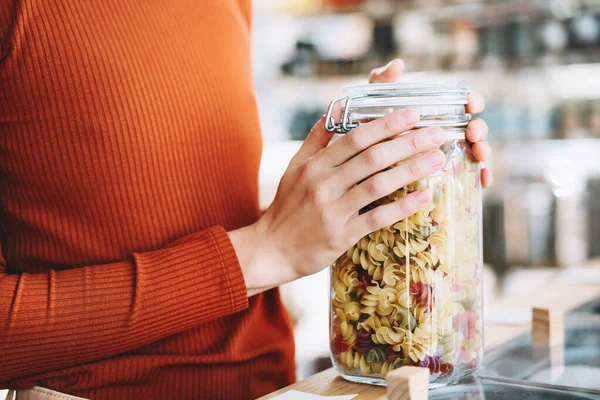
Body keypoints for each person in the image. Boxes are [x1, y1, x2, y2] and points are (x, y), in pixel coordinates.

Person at [0, 1, 491, 399]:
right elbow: (258, 249)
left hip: (282, 388)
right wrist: (266, 251)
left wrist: (370, 157)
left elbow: (187, 213)